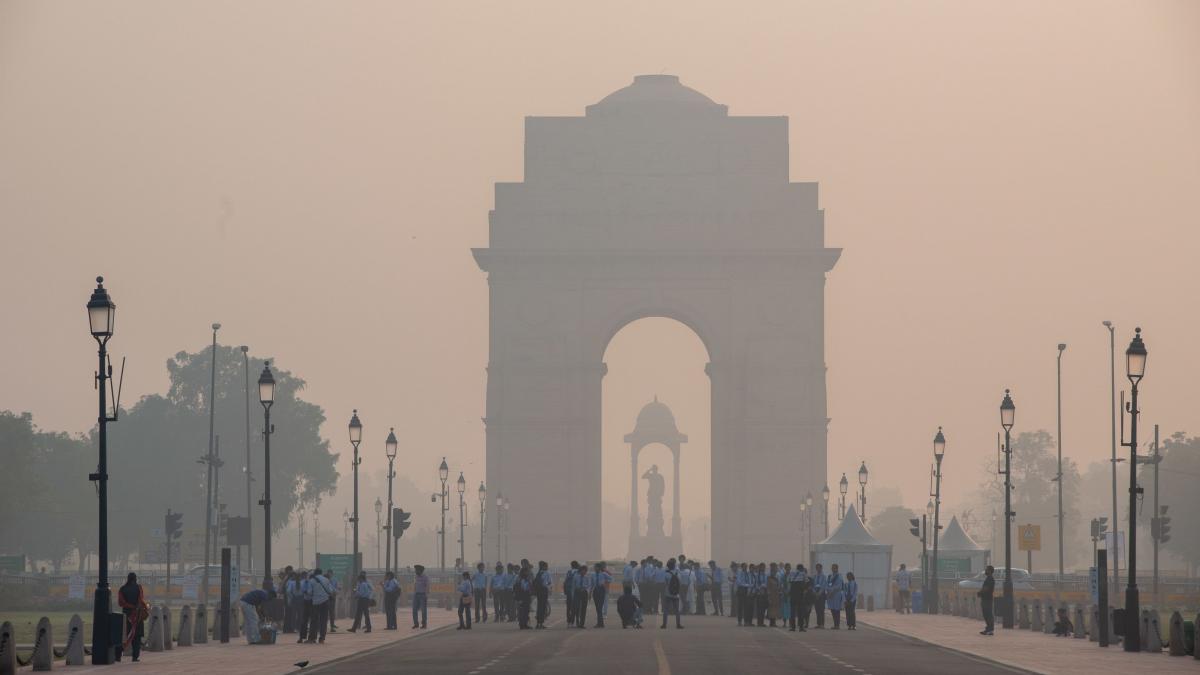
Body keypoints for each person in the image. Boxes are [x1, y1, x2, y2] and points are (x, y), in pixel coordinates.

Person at [117, 572, 148, 661]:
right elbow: (140, 599)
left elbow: (121, 602)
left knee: (125, 636)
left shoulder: (122, 589)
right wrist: (138, 607)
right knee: (136, 636)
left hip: (126, 615)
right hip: (137, 615)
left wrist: (129, 606)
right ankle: (135, 657)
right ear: (135, 579)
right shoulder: (139, 588)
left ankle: (118, 655)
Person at [307, 568, 333, 644]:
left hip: (315, 603)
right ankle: (322, 638)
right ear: (321, 573)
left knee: (314, 620)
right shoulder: (326, 580)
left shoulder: (311, 581)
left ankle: (312, 638)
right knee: (323, 621)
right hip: (325, 602)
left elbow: (309, 592)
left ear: (315, 573)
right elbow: (330, 591)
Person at [660, 558, 684, 629]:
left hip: (668, 593)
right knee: (677, 610)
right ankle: (678, 624)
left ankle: (664, 624)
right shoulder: (678, 574)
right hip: (676, 594)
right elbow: (680, 583)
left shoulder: (666, 574)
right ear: (674, 566)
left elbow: (664, 583)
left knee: (666, 610)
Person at [788, 563, 808, 632]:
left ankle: (793, 627)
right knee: (800, 611)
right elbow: (807, 582)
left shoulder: (791, 573)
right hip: (800, 594)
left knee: (792, 611)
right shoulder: (803, 574)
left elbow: (789, 581)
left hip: (793, 594)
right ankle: (801, 627)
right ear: (802, 568)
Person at [978, 565, 995, 636]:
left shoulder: (990, 579)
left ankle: (990, 629)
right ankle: (988, 628)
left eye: (986, 570)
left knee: (988, 614)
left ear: (990, 571)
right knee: (985, 614)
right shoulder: (988, 578)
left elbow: (986, 588)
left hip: (987, 599)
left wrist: (980, 592)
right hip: (985, 598)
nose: (985, 571)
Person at [826, 563, 845, 629]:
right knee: (832, 610)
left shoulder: (839, 576)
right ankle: (835, 624)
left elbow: (839, 586)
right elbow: (828, 584)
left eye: (834, 568)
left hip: (836, 594)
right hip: (830, 595)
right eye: (832, 568)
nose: (833, 569)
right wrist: (828, 591)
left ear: (837, 568)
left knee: (837, 610)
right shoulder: (830, 576)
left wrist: (832, 591)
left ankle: (837, 625)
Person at [534, 561, 552, 629]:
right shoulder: (547, 573)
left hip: (539, 592)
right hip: (544, 590)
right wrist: (548, 588)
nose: (547, 567)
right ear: (544, 566)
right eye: (546, 566)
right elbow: (549, 582)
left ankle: (538, 623)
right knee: (543, 607)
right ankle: (541, 623)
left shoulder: (538, 573)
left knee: (539, 607)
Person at [574, 564, 593, 628]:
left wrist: (586, 590)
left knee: (583, 608)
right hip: (577, 592)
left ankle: (582, 623)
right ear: (580, 571)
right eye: (583, 570)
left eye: (585, 571)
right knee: (577, 607)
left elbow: (589, 586)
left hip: (584, 593)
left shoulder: (587, 577)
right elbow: (573, 585)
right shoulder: (576, 577)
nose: (584, 572)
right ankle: (577, 620)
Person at [593, 562, 611, 627]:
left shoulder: (604, 573)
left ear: (599, 568)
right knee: (598, 608)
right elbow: (592, 584)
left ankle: (600, 623)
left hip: (602, 590)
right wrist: (589, 593)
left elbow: (611, 579)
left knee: (600, 607)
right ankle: (600, 623)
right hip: (595, 591)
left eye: (595, 567)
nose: (594, 568)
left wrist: (605, 583)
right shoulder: (593, 574)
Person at [412, 565, 430, 629]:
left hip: (423, 595)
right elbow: (415, 584)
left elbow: (427, 586)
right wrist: (414, 592)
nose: (415, 571)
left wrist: (426, 594)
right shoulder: (416, 576)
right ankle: (416, 623)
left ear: (420, 570)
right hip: (416, 595)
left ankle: (424, 624)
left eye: (416, 570)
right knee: (414, 610)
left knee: (423, 610)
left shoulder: (425, 577)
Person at [811, 563, 827, 628]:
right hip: (815, 593)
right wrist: (815, 592)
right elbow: (812, 585)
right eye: (816, 568)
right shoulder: (814, 576)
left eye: (819, 567)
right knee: (817, 609)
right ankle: (818, 624)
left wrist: (819, 593)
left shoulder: (823, 576)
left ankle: (822, 624)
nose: (818, 569)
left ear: (821, 568)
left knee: (821, 609)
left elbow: (823, 586)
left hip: (821, 594)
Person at [766, 562, 782, 627]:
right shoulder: (768, 578)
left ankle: (774, 622)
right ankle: (771, 622)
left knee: (775, 609)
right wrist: (769, 596)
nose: (774, 572)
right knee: (771, 609)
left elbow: (779, 587)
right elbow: (768, 588)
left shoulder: (776, 579)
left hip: (776, 596)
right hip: (771, 596)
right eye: (773, 571)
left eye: (775, 571)